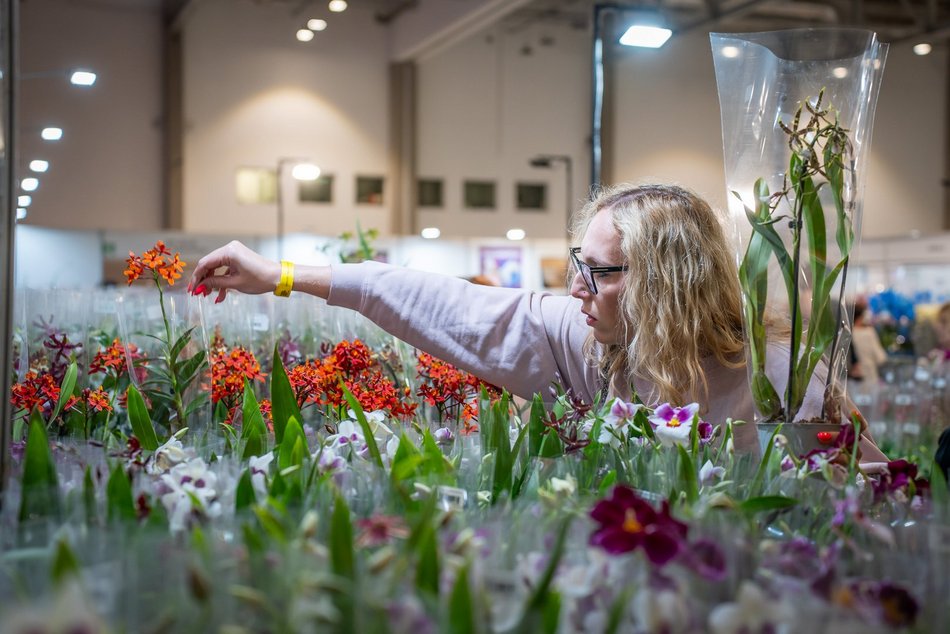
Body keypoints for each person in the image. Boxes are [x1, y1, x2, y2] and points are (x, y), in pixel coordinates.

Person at [188, 183, 884, 459]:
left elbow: (883, 499)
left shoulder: (780, 380)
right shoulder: (587, 341)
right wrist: (280, 276)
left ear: (671, 285)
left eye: (601, 273)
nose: (576, 288)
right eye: (576, 265)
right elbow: (437, 302)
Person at [850, 301, 888, 386]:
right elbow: (880, 357)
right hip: (869, 373)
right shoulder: (869, 332)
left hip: (853, 376)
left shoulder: (849, 333)